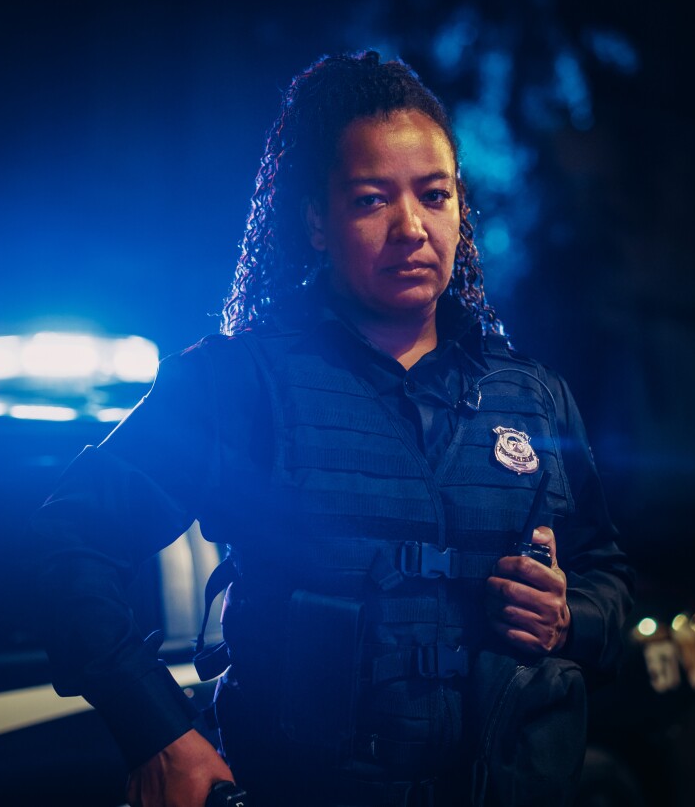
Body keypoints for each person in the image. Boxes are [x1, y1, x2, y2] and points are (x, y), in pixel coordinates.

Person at [33, 50, 635, 807]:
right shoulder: (239, 383)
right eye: (371, 200)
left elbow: (608, 573)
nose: (411, 228)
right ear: (316, 221)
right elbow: (69, 543)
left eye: (434, 195)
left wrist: (567, 616)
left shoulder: (534, 395)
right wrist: (156, 730)